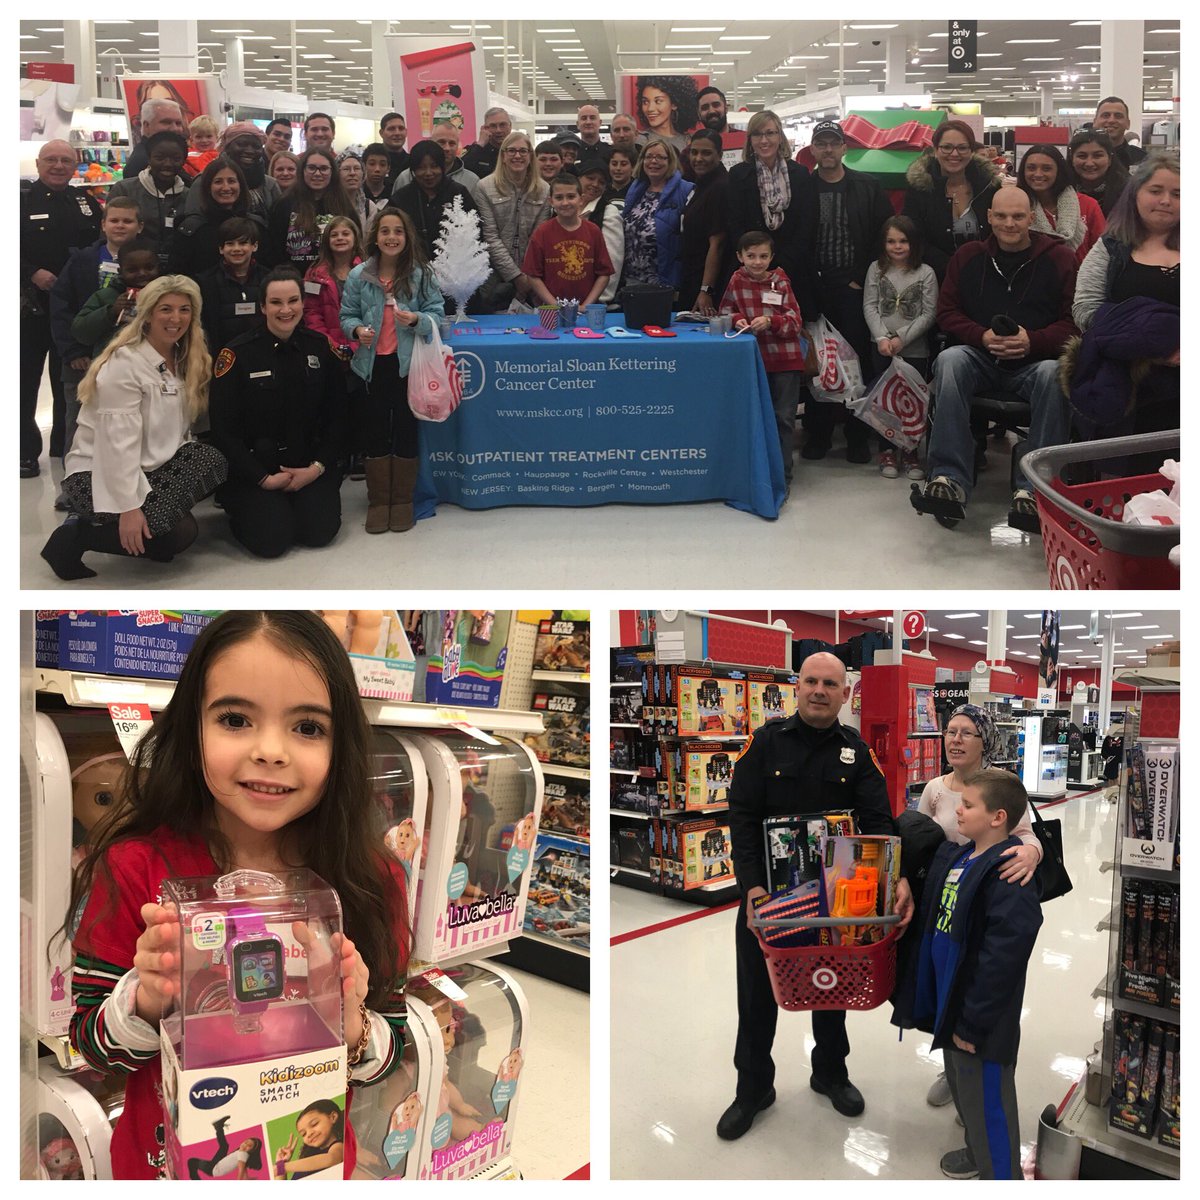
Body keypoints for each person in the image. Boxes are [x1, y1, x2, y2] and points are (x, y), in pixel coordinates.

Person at [59, 610, 412, 1178]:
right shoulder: (137, 870)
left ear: (342, 744)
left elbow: (388, 1052)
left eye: (307, 727)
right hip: (167, 1164)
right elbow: (90, 1046)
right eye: (234, 718)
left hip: (303, 1168)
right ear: (189, 727)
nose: (271, 751)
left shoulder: (371, 878)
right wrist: (147, 1000)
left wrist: (354, 1027)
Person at [720, 652, 914, 1139]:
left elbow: (878, 822)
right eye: (811, 681)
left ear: (845, 694)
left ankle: (830, 1073)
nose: (820, 690)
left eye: (831, 683)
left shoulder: (857, 751)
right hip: (768, 902)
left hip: (836, 902)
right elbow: (741, 817)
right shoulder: (763, 744)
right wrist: (752, 887)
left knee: (833, 987)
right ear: (797, 687)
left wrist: (897, 876)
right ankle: (753, 1089)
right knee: (757, 995)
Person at [892, 768, 1043, 1179]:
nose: (958, 810)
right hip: (952, 999)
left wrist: (974, 1022)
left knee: (987, 1098)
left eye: (968, 805)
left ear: (997, 817)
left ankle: (1000, 1173)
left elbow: (1002, 960)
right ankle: (978, 1152)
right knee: (963, 1085)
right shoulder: (961, 856)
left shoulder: (1007, 874)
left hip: (982, 1018)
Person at [910, 186, 1078, 532]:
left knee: (1053, 373)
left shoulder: (1060, 258)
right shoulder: (968, 256)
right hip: (979, 357)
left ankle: (1034, 488)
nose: (1009, 224)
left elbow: (1074, 322)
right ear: (988, 217)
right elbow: (947, 312)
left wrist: (1033, 341)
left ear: (1031, 218)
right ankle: (948, 477)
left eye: (1018, 216)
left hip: (1034, 362)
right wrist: (981, 335)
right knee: (950, 361)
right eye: (1001, 216)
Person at [41, 275, 228, 580]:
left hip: (147, 468)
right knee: (173, 538)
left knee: (209, 459)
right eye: (165, 309)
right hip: (98, 473)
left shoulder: (183, 358)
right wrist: (129, 507)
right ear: (148, 314)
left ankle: (143, 525)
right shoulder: (125, 364)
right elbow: (117, 445)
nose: (175, 318)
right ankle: (77, 536)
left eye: (184, 310)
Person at [915, 705, 1046, 1110]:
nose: (955, 739)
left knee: (978, 984)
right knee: (943, 986)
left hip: (984, 902)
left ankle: (977, 1085)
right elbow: (919, 838)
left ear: (983, 741)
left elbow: (1027, 835)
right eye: (950, 731)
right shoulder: (935, 789)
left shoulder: (1001, 786)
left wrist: (1033, 854)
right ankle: (951, 1069)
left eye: (966, 733)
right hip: (944, 902)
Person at [207, 269, 346, 559]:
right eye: (276, 303)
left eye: (293, 300)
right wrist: (262, 479)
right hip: (257, 469)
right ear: (263, 307)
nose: (286, 310)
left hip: (308, 465)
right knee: (271, 544)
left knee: (319, 533)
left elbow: (338, 417)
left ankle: (292, 506)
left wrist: (316, 468)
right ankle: (250, 507)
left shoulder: (319, 348)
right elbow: (223, 430)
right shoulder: (237, 354)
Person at [340, 207, 444, 532]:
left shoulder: (421, 273)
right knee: (375, 431)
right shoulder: (359, 276)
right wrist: (357, 331)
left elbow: (438, 314)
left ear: (406, 236)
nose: (391, 237)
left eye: (397, 231)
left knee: (406, 429)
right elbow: (347, 317)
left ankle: (401, 501)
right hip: (371, 367)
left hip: (408, 368)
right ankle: (378, 501)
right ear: (375, 237)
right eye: (385, 231)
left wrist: (417, 320)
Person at [1066, 154, 1179, 450]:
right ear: (1136, 193)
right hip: (1123, 385)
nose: (1166, 200)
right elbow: (1085, 308)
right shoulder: (1111, 246)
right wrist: (1151, 345)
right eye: (1156, 191)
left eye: (1178, 193)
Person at [805, 119, 895, 464]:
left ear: (844, 148)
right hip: (816, 287)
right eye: (821, 144)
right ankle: (819, 434)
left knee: (858, 361)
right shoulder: (803, 187)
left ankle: (858, 435)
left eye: (833, 143)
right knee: (819, 361)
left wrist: (861, 277)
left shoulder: (867, 187)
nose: (828, 149)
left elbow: (883, 235)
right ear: (813, 149)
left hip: (855, 288)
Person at [21, 139, 103, 477]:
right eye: (51, 160)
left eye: (65, 161)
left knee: (66, 378)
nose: (58, 166)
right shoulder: (19, 199)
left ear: (75, 167)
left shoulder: (85, 202)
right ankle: (25, 451)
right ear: (38, 164)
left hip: (69, 307)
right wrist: (31, 273)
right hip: (30, 306)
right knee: (24, 380)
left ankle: (60, 445)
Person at [50, 196, 146, 479]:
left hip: (130, 360)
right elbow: (61, 307)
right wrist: (71, 352)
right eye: (114, 220)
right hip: (82, 360)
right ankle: (74, 488)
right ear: (103, 224)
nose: (120, 226)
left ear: (140, 226)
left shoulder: (148, 262)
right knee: (79, 424)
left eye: (127, 221)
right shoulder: (81, 260)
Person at [719, 231, 805, 490]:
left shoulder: (780, 283)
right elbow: (726, 310)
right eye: (751, 256)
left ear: (772, 257)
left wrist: (771, 321)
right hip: (754, 360)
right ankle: (758, 472)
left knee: (783, 418)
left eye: (763, 256)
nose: (757, 262)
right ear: (740, 257)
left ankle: (782, 477)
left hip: (785, 361)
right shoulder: (736, 280)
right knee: (755, 417)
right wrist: (737, 320)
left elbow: (795, 322)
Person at [862, 215, 939, 479]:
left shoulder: (925, 273)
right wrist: (882, 337)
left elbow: (928, 314)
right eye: (891, 241)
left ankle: (910, 451)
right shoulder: (876, 269)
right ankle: (886, 450)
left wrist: (902, 339)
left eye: (903, 241)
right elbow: (870, 306)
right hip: (881, 346)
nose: (897, 247)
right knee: (885, 399)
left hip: (915, 350)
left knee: (912, 401)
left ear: (913, 243)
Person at [726, 110, 819, 321]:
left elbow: (808, 223)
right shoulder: (739, 175)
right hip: (751, 270)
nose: (764, 140)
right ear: (750, 140)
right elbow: (734, 223)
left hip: (793, 268)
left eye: (770, 133)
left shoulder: (800, 174)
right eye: (758, 134)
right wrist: (755, 261)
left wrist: (780, 264)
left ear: (780, 137)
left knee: (788, 328)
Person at [902, 120, 1001, 280]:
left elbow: (999, 233)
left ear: (971, 151)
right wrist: (953, 269)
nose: (954, 154)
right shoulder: (919, 189)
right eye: (947, 147)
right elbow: (914, 237)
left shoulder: (989, 187)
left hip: (985, 276)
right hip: (935, 280)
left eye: (962, 148)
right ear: (935, 150)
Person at [474, 131, 550, 310]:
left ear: (530, 156)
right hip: (492, 273)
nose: (517, 155)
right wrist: (515, 276)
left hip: (532, 274)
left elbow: (538, 238)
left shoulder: (544, 189)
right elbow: (490, 237)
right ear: (503, 156)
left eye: (523, 151)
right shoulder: (484, 187)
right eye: (512, 151)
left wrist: (527, 275)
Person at [522, 173, 614, 306]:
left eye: (571, 197)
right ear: (551, 201)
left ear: (581, 199)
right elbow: (533, 275)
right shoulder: (542, 232)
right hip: (551, 310)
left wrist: (586, 305)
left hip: (586, 309)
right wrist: (555, 305)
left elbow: (604, 273)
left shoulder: (593, 231)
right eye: (559, 198)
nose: (565, 202)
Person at [107, 130, 190, 267]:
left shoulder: (188, 195)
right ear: (149, 158)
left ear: (183, 160)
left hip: (177, 268)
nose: (168, 163)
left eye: (176, 158)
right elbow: (108, 234)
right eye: (160, 157)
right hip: (132, 269)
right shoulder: (124, 189)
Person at [267, 147, 357, 272]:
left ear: (332, 172)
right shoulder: (284, 204)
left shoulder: (344, 206)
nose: (317, 174)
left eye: (324, 169)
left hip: (335, 281)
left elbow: (355, 248)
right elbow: (273, 251)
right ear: (302, 170)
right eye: (311, 168)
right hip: (294, 281)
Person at [621, 137, 692, 293]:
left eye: (660, 157)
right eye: (649, 156)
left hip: (665, 280)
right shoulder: (636, 188)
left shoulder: (685, 190)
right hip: (633, 278)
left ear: (670, 161)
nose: (654, 161)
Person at [1016, 143, 1105, 265]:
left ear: (1059, 171)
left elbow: (1102, 252)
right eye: (1031, 168)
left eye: (1046, 168)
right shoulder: (1016, 205)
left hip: (1080, 279)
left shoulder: (1088, 205)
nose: (1038, 174)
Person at [170, 158, 260, 277]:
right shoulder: (191, 229)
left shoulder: (257, 225)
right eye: (218, 182)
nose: (226, 187)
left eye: (231, 181)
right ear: (208, 187)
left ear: (241, 185)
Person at [70, 239, 160, 357]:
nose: (142, 273)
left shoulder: (170, 296)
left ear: (159, 267)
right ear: (120, 271)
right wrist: (111, 312)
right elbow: (80, 333)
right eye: (132, 270)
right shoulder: (106, 296)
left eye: (149, 268)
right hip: (113, 366)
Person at [391, 139, 478, 260]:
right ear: (413, 170)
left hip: (455, 268)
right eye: (421, 167)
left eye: (434, 166)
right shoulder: (401, 198)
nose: (428, 173)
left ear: (442, 167)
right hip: (410, 267)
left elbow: (476, 232)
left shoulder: (458, 193)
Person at [676, 130, 730, 315]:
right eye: (694, 152)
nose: (698, 158)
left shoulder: (720, 187)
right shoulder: (701, 184)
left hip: (705, 284)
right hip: (692, 276)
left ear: (720, 155)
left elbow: (718, 244)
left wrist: (706, 290)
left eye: (706, 153)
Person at [195, 217, 268, 353]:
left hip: (261, 352)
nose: (236, 249)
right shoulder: (205, 282)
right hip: (220, 354)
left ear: (255, 246)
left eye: (243, 243)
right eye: (230, 243)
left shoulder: (268, 279)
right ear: (221, 249)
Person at [302, 216, 363, 351]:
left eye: (346, 234)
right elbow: (311, 313)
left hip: (363, 347)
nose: (340, 238)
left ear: (355, 238)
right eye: (334, 235)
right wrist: (329, 344)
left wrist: (356, 345)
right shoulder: (314, 274)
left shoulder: (368, 272)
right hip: (326, 348)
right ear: (326, 241)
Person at [390, 124, 482, 201]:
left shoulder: (472, 180)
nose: (447, 148)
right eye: (441, 142)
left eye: (452, 143)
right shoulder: (406, 178)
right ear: (430, 142)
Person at [1065, 129, 1129, 218]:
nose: (1089, 163)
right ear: (1072, 159)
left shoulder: (1128, 191)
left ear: (1110, 159)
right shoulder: (1061, 189)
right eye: (1082, 156)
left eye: (1097, 156)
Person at [276, 1099, 346, 1178]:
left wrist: (282, 1167)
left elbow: (332, 1159)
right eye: (303, 1134)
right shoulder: (308, 1159)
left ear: (333, 1117)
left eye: (314, 1124)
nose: (309, 1134)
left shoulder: (338, 1146)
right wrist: (281, 1163)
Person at [121, 96, 186, 178]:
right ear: (146, 126)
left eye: (178, 123)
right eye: (166, 122)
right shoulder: (142, 162)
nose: (175, 128)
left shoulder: (158, 155)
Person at [634, 75, 700, 152]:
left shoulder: (688, 141)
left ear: (674, 104)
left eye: (658, 101)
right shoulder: (641, 140)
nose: (650, 109)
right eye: (645, 102)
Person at [187, 1121, 262, 1180]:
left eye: (249, 1146)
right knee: (224, 1146)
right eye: (246, 1142)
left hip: (213, 1168)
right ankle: (218, 1126)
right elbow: (244, 1170)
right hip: (217, 1164)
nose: (245, 1145)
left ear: (252, 1150)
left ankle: (194, 1179)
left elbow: (241, 1169)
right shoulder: (244, 1155)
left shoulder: (242, 1154)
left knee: (192, 1161)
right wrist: (246, 1179)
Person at [696, 86, 747, 166]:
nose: (711, 111)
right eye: (705, 108)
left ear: (726, 108)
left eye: (716, 105)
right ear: (699, 114)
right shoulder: (693, 148)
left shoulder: (746, 140)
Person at [1093, 96, 1147, 170]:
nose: (1111, 120)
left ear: (1128, 124)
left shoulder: (1143, 160)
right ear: (1094, 122)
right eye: (1106, 115)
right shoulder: (1078, 157)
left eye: (1118, 116)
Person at [338, 151, 384, 236]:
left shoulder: (369, 207)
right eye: (346, 169)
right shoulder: (329, 203)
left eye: (357, 168)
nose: (352, 173)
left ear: (363, 173)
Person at [462, 107, 511, 179]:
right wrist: (480, 143)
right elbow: (462, 170)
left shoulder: (517, 151)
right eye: (493, 126)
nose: (498, 130)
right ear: (485, 128)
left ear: (510, 126)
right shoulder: (475, 151)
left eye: (502, 125)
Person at [184, 114, 220, 179]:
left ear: (217, 138)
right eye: (199, 137)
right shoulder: (185, 155)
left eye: (209, 136)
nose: (204, 140)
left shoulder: (219, 157)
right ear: (192, 139)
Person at [379, 111, 410, 187]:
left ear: (406, 132)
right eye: (391, 129)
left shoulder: (413, 162)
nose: (397, 133)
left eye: (401, 128)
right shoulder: (372, 163)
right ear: (381, 133)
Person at [1100, 723, 1123, 801]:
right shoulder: (1108, 738)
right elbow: (1103, 750)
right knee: (1111, 778)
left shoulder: (1122, 738)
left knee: (1117, 778)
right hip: (1111, 761)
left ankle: (1115, 794)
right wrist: (1107, 757)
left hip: (1120, 762)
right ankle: (1112, 794)